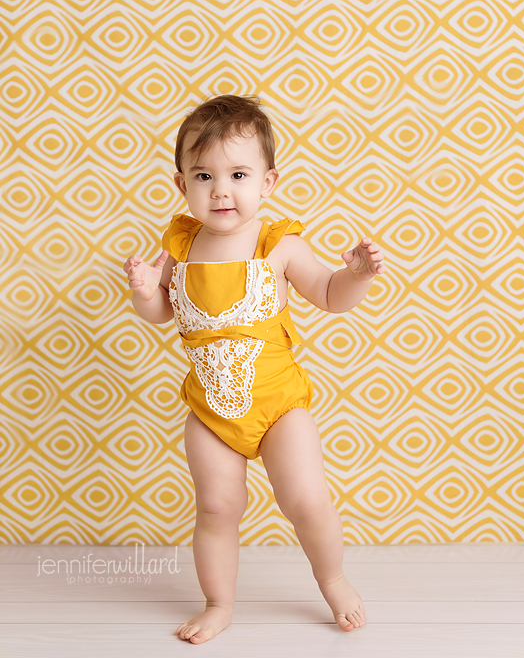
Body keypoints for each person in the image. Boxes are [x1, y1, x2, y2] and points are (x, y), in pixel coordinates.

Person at [122, 94, 385, 645]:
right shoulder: (181, 245)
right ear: (181, 185)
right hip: (210, 409)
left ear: (267, 183)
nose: (221, 190)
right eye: (204, 175)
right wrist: (146, 291)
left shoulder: (278, 244)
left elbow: (330, 294)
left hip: (278, 406)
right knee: (217, 506)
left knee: (305, 498)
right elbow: (162, 312)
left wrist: (356, 275)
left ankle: (332, 578)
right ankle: (219, 602)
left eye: (238, 174)